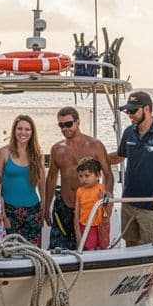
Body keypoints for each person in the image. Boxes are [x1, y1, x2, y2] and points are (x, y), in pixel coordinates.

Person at [107, 91, 153, 246]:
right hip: (129, 202)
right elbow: (120, 156)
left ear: (146, 109)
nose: (129, 115)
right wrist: (97, 158)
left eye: (133, 111)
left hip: (151, 204)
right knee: (131, 245)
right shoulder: (129, 132)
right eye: (127, 111)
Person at [42, 106, 112, 249]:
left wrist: (107, 201)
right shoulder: (57, 149)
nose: (65, 128)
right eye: (61, 125)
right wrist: (46, 206)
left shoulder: (95, 145)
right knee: (57, 250)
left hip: (89, 207)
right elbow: (51, 179)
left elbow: (108, 174)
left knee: (88, 249)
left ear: (78, 122)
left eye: (68, 124)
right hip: (63, 207)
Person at [0, 114, 44, 245]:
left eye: (27, 129)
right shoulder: (3, 152)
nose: (23, 132)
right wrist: (1, 212)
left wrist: (44, 207)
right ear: (14, 130)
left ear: (32, 132)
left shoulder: (37, 155)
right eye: (20, 128)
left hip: (33, 211)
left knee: (32, 252)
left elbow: (41, 184)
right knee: (9, 251)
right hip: (8, 210)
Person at [74, 156, 110, 250]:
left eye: (87, 175)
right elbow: (77, 212)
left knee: (102, 248)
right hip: (86, 226)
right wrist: (77, 231)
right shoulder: (79, 191)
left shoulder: (102, 189)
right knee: (88, 249)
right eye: (80, 176)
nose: (83, 179)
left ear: (98, 175)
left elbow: (107, 209)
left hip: (100, 226)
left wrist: (105, 199)